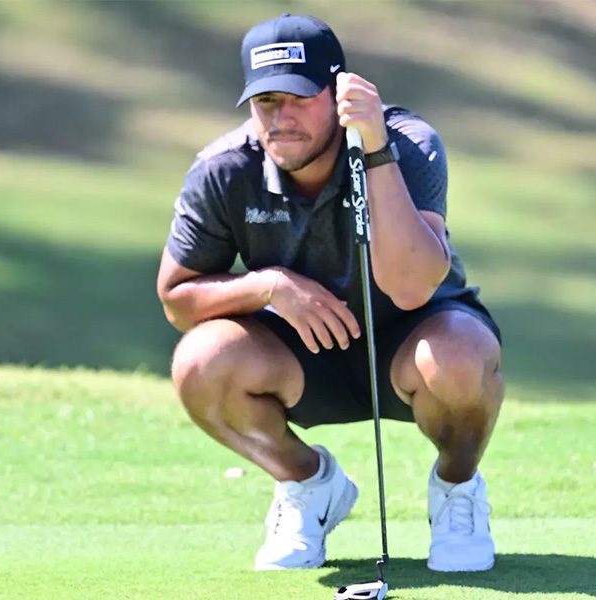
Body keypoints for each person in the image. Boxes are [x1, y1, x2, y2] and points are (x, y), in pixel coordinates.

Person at [156, 13, 504, 573]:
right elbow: (177, 299)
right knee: (201, 361)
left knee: (461, 354)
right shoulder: (224, 170)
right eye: (265, 101)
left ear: (341, 92)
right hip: (297, 353)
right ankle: (308, 484)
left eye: (299, 97)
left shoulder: (407, 145)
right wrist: (267, 286)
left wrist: (375, 148)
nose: (281, 117)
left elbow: (412, 287)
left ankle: (456, 490)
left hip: (412, 341)